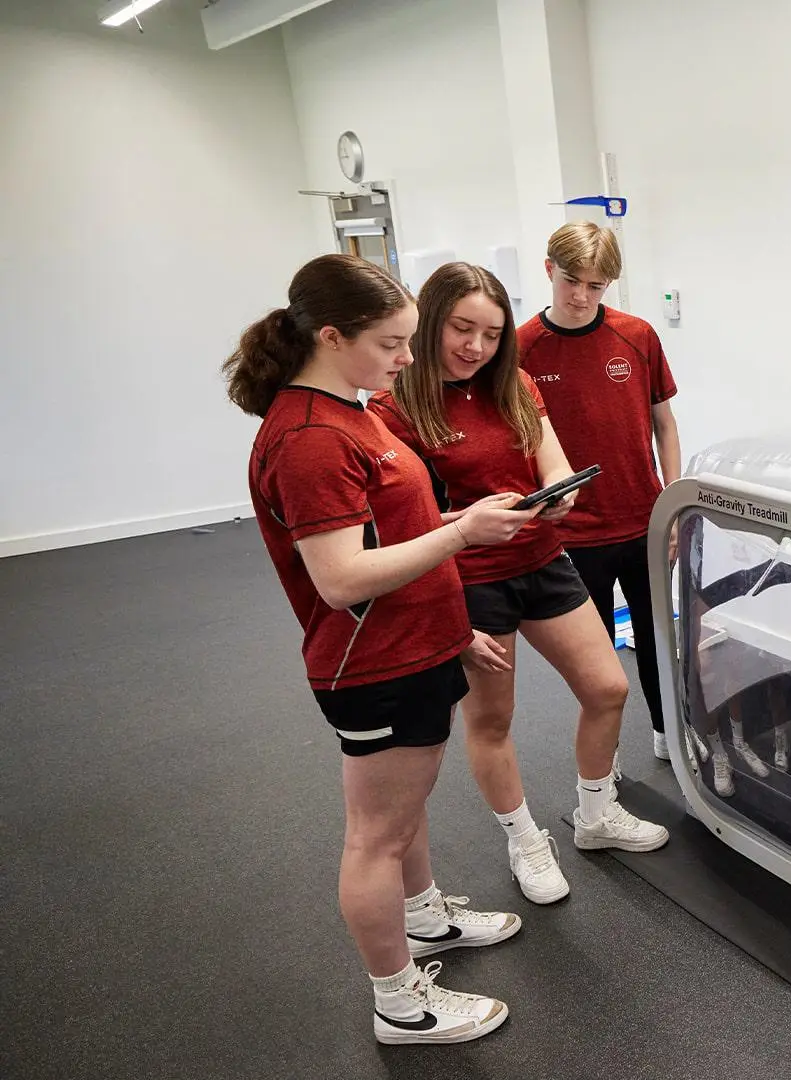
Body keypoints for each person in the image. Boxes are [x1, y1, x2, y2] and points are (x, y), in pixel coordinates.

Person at [224, 253, 537, 1045]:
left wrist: (449, 623)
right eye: (393, 344)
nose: (408, 358)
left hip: (414, 646)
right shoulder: (308, 438)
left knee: (404, 814)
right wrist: (465, 530)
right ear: (332, 336)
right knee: (376, 836)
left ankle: (425, 919)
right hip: (373, 664)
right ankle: (401, 1004)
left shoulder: (352, 409)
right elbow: (340, 580)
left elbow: (390, 536)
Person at [370, 262, 669, 908]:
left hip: (540, 558)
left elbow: (551, 460)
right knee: (493, 719)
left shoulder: (516, 385)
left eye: (491, 333)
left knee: (607, 687)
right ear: (430, 322)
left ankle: (595, 814)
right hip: (467, 578)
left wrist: (557, 498)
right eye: (461, 328)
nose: (476, 346)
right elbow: (403, 527)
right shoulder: (395, 407)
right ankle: (524, 837)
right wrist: (467, 527)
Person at [517, 222, 681, 762]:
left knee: (659, 638)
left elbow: (665, 425)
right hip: (573, 531)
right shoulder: (520, 350)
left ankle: (668, 736)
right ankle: (602, 770)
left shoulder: (636, 335)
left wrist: (673, 506)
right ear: (548, 270)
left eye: (597, 286)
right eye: (572, 281)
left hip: (643, 520)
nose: (582, 296)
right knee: (597, 661)